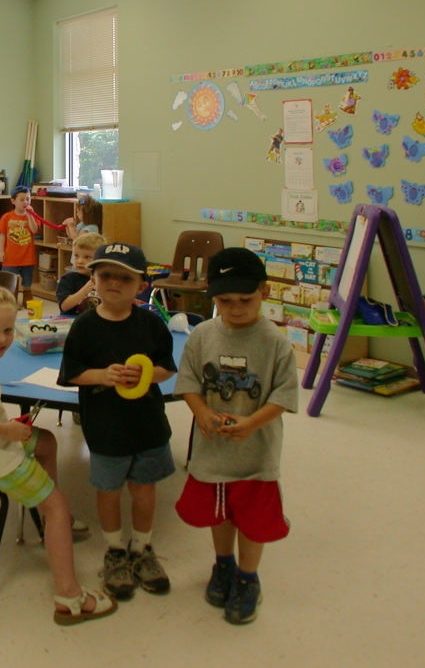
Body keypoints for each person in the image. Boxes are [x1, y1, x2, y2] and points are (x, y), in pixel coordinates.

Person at [0, 284, 117, 625]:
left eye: (8, 330)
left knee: (45, 442)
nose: (2, 339)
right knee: (59, 506)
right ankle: (68, 595)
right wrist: (6, 429)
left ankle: (45, 520)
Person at [173, 247, 298, 625]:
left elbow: (284, 395)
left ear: (264, 291)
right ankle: (223, 565)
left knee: (253, 517)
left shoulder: (275, 341)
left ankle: (248, 578)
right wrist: (203, 413)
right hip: (213, 451)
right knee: (220, 510)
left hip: (257, 453)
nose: (235, 308)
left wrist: (253, 423)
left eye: (245, 299)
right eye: (225, 300)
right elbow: (190, 383)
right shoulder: (203, 335)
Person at [58, 243, 177, 602]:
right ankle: (114, 551)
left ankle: (142, 548)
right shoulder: (84, 326)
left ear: (140, 285)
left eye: (124, 277)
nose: (113, 283)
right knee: (108, 491)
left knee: (145, 489)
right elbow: (73, 374)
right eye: (105, 275)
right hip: (106, 427)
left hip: (148, 425)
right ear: (92, 279)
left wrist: (147, 373)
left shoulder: (152, 324)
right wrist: (102, 375)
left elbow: (167, 368)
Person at [0, 186, 39, 306]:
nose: (25, 202)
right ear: (13, 201)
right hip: (11, 256)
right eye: (22, 199)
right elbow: (3, 235)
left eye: (28, 199)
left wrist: (30, 215)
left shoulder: (32, 216)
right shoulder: (7, 217)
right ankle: (11, 300)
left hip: (27, 255)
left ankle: (27, 295)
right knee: (10, 279)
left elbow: (34, 230)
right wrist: (1, 251)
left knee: (27, 279)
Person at [56, 231, 106, 316]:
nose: (79, 261)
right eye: (76, 256)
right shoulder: (68, 279)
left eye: (87, 257)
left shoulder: (104, 279)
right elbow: (64, 306)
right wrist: (84, 290)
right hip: (72, 323)